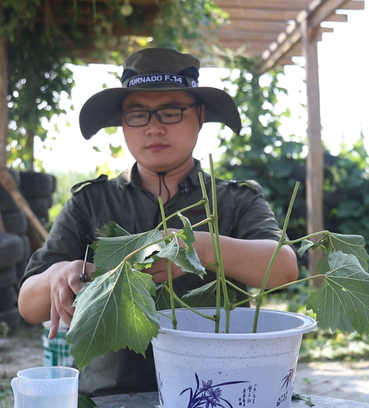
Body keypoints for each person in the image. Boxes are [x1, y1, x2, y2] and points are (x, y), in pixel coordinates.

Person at [17, 47, 299, 397]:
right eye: (138, 115)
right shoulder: (91, 201)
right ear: (123, 123)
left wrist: (199, 247)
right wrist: (56, 275)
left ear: (199, 115)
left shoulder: (234, 200)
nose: (153, 128)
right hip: (111, 397)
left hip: (215, 392)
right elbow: (29, 305)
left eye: (170, 112)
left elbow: (284, 268)